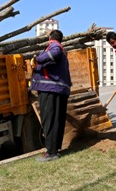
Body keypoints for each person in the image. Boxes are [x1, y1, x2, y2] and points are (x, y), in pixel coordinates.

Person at [30, 30, 72, 162]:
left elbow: (54, 53)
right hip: (57, 89)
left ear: (50, 38)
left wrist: (37, 59)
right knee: (56, 120)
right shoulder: (61, 48)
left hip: (50, 89)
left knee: (49, 120)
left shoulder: (55, 46)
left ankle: (51, 152)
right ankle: (54, 150)